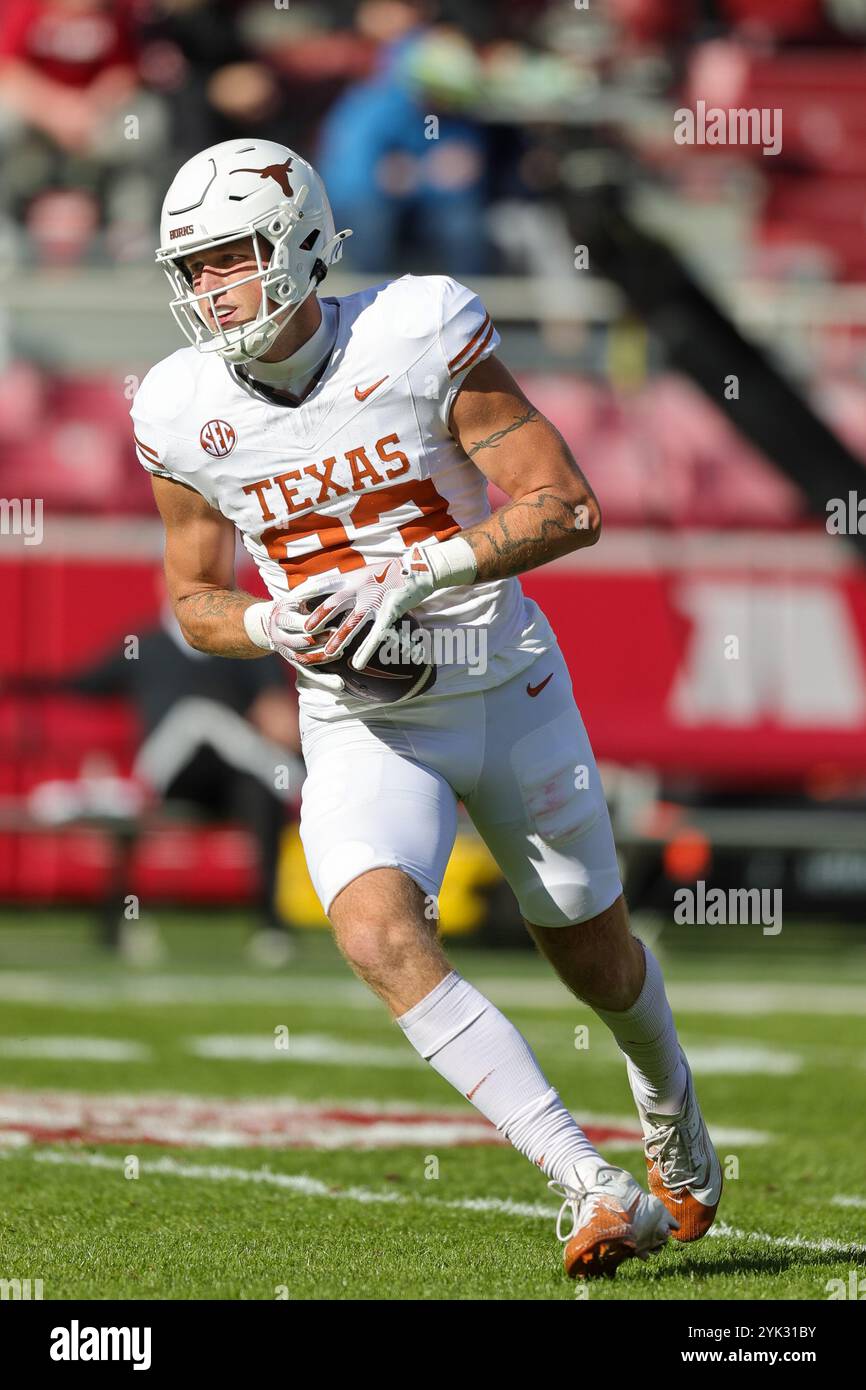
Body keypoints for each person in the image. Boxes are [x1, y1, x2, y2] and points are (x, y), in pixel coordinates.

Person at [131, 137, 722, 1279]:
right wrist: (262, 625)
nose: (213, 290)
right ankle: (587, 1180)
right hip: (358, 717)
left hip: (504, 684)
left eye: (233, 258)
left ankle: (670, 1112)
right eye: (194, 268)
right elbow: (194, 596)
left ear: (301, 241)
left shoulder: (413, 329)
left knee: (593, 962)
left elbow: (567, 506)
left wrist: (411, 572)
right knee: (372, 932)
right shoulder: (177, 406)